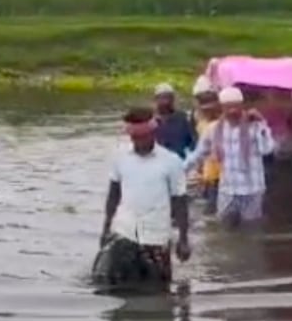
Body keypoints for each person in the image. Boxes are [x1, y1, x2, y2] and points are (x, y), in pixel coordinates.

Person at [93, 107, 191, 292]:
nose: (140, 141)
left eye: (144, 136)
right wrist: (106, 227)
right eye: (135, 137)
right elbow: (114, 194)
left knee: (159, 290)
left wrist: (183, 239)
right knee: (117, 287)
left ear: (153, 132)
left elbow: (180, 201)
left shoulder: (171, 161)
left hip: (156, 236)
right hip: (125, 231)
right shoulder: (120, 157)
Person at [185, 86, 274, 226]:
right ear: (222, 108)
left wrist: (262, 124)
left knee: (251, 230)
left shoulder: (255, 127)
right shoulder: (214, 129)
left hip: (252, 189)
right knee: (224, 229)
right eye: (228, 107)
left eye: (235, 107)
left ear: (242, 106)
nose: (232, 111)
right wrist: (179, 171)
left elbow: (267, 149)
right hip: (228, 189)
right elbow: (199, 153)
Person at [190, 81, 222, 215]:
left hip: (223, 174)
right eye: (201, 100)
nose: (205, 106)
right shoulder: (198, 119)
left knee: (212, 211)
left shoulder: (224, 121)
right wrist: (198, 168)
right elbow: (198, 147)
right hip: (209, 172)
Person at [152, 83, 195, 160]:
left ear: (173, 100)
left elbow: (192, 143)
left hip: (179, 159)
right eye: (162, 98)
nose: (166, 102)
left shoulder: (183, 118)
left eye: (168, 98)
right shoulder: (150, 120)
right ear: (156, 100)